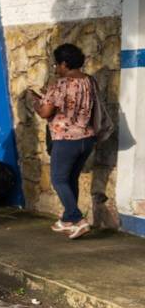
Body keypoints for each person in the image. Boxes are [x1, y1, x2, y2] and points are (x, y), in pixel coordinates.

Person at [28, 43, 97, 240]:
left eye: (56, 64)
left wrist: (36, 102)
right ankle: (67, 220)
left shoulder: (60, 84)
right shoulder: (89, 81)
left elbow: (45, 112)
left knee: (58, 180)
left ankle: (78, 219)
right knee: (70, 178)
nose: (56, 68)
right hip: (86, 138)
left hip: (66, 139)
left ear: (65, 64)